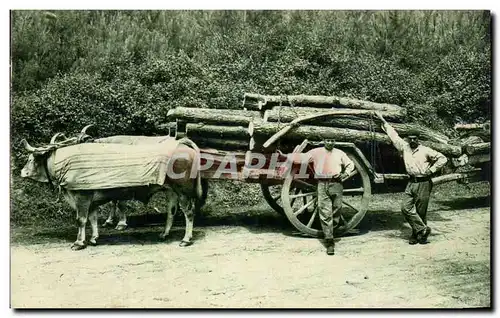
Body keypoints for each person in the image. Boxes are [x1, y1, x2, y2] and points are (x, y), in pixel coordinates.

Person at [374, 112, 448, 245]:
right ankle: (423, 229)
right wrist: (382, 120)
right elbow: (394, 136)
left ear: (418, 139)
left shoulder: (425, 150)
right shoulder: (404, 147)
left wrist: (431, 170)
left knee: (421, 211)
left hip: (423, 183)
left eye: (415, 138)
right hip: (411, 183)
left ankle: (417, 235)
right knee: (405, 208)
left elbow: (443, 158)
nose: (412, 140)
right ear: (408, 138)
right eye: (410, 138)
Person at [284, 139, 355, 255]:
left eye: (332, 140)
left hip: (336, 183)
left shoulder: (340, 153)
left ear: (335, 141)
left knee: (337, 209)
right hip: (322, 184)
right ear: (324, 141)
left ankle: (332, 231)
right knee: (325, 212)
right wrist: (285, 155)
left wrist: (346, 173)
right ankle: (329, 241)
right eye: (327, 140)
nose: (330, 143)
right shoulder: (316, 152)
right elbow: (301, 158)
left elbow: (350, 164)